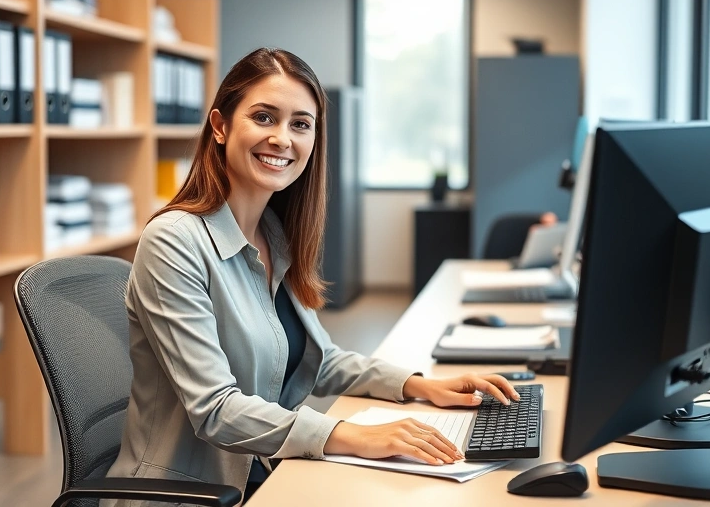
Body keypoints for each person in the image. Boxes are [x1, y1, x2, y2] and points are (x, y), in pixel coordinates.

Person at [104, 48, 519, 506]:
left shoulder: (273, 233)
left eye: (300, 124)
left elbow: (317, 360)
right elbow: (216, 409)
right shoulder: (174, 241)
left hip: (256, 475)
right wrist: (354, 435)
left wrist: (418, 385)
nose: (282, 138)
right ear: (220, 126)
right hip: (186, 495)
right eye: (264, 117)